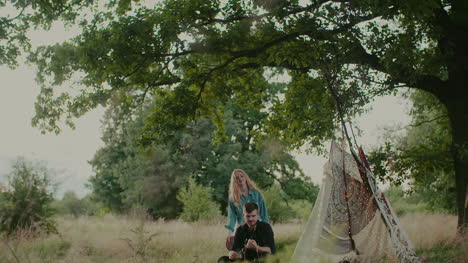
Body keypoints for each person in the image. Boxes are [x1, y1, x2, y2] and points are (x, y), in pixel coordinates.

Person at [225, 169, 269, 249]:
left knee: (259, 254)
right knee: (242, 255)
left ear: (245, 178)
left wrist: (267, 230)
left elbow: (264, 214)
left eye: (242, 176)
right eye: (237, 178)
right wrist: (229, 232)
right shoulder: (233, 198)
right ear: (234, 181)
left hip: (258, 229)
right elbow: (232, 217)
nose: (240, 179)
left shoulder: (257, 194)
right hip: (242, 230)